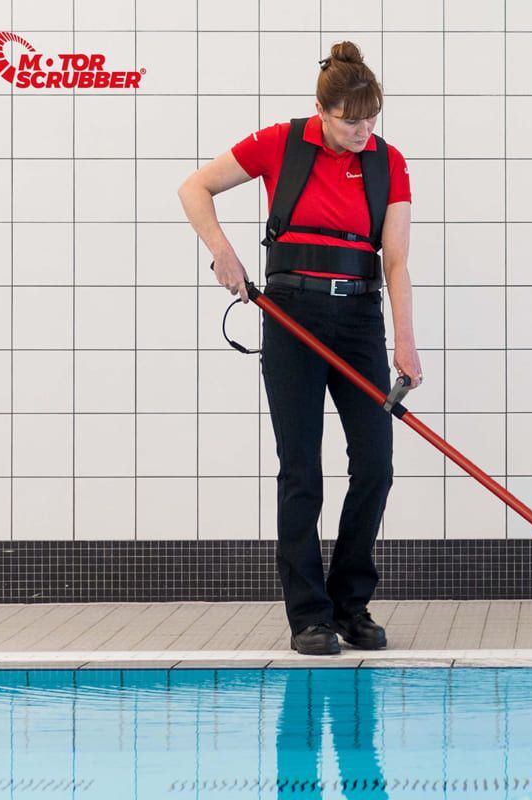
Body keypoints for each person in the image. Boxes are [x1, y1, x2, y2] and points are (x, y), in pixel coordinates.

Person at [177, 41, 422, 655]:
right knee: (302, 470)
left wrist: (406, 343)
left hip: (360, 320)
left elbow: (394, 258)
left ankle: (351, 604)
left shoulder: (388, 163)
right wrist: (222, 251)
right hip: (290, 319)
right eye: (350, 120)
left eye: (371, 119)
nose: (363, 131)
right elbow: (194, 188)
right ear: (321, 109)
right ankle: (309, 616)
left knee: (375, 466)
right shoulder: (280, 144)